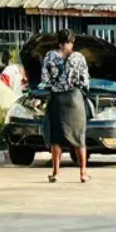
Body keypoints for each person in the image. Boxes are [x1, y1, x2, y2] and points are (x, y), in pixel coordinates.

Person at [41, 30, 90, 183]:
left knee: (56, 138)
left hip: (57, 100)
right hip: (74, 99)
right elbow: (84, 80)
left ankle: (55, 173)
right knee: (79, 137)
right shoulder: (79, 57)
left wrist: (54, 85)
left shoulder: (50, 56)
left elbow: (45, 79)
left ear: (59, 42)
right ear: (72, 42)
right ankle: (82, 174)